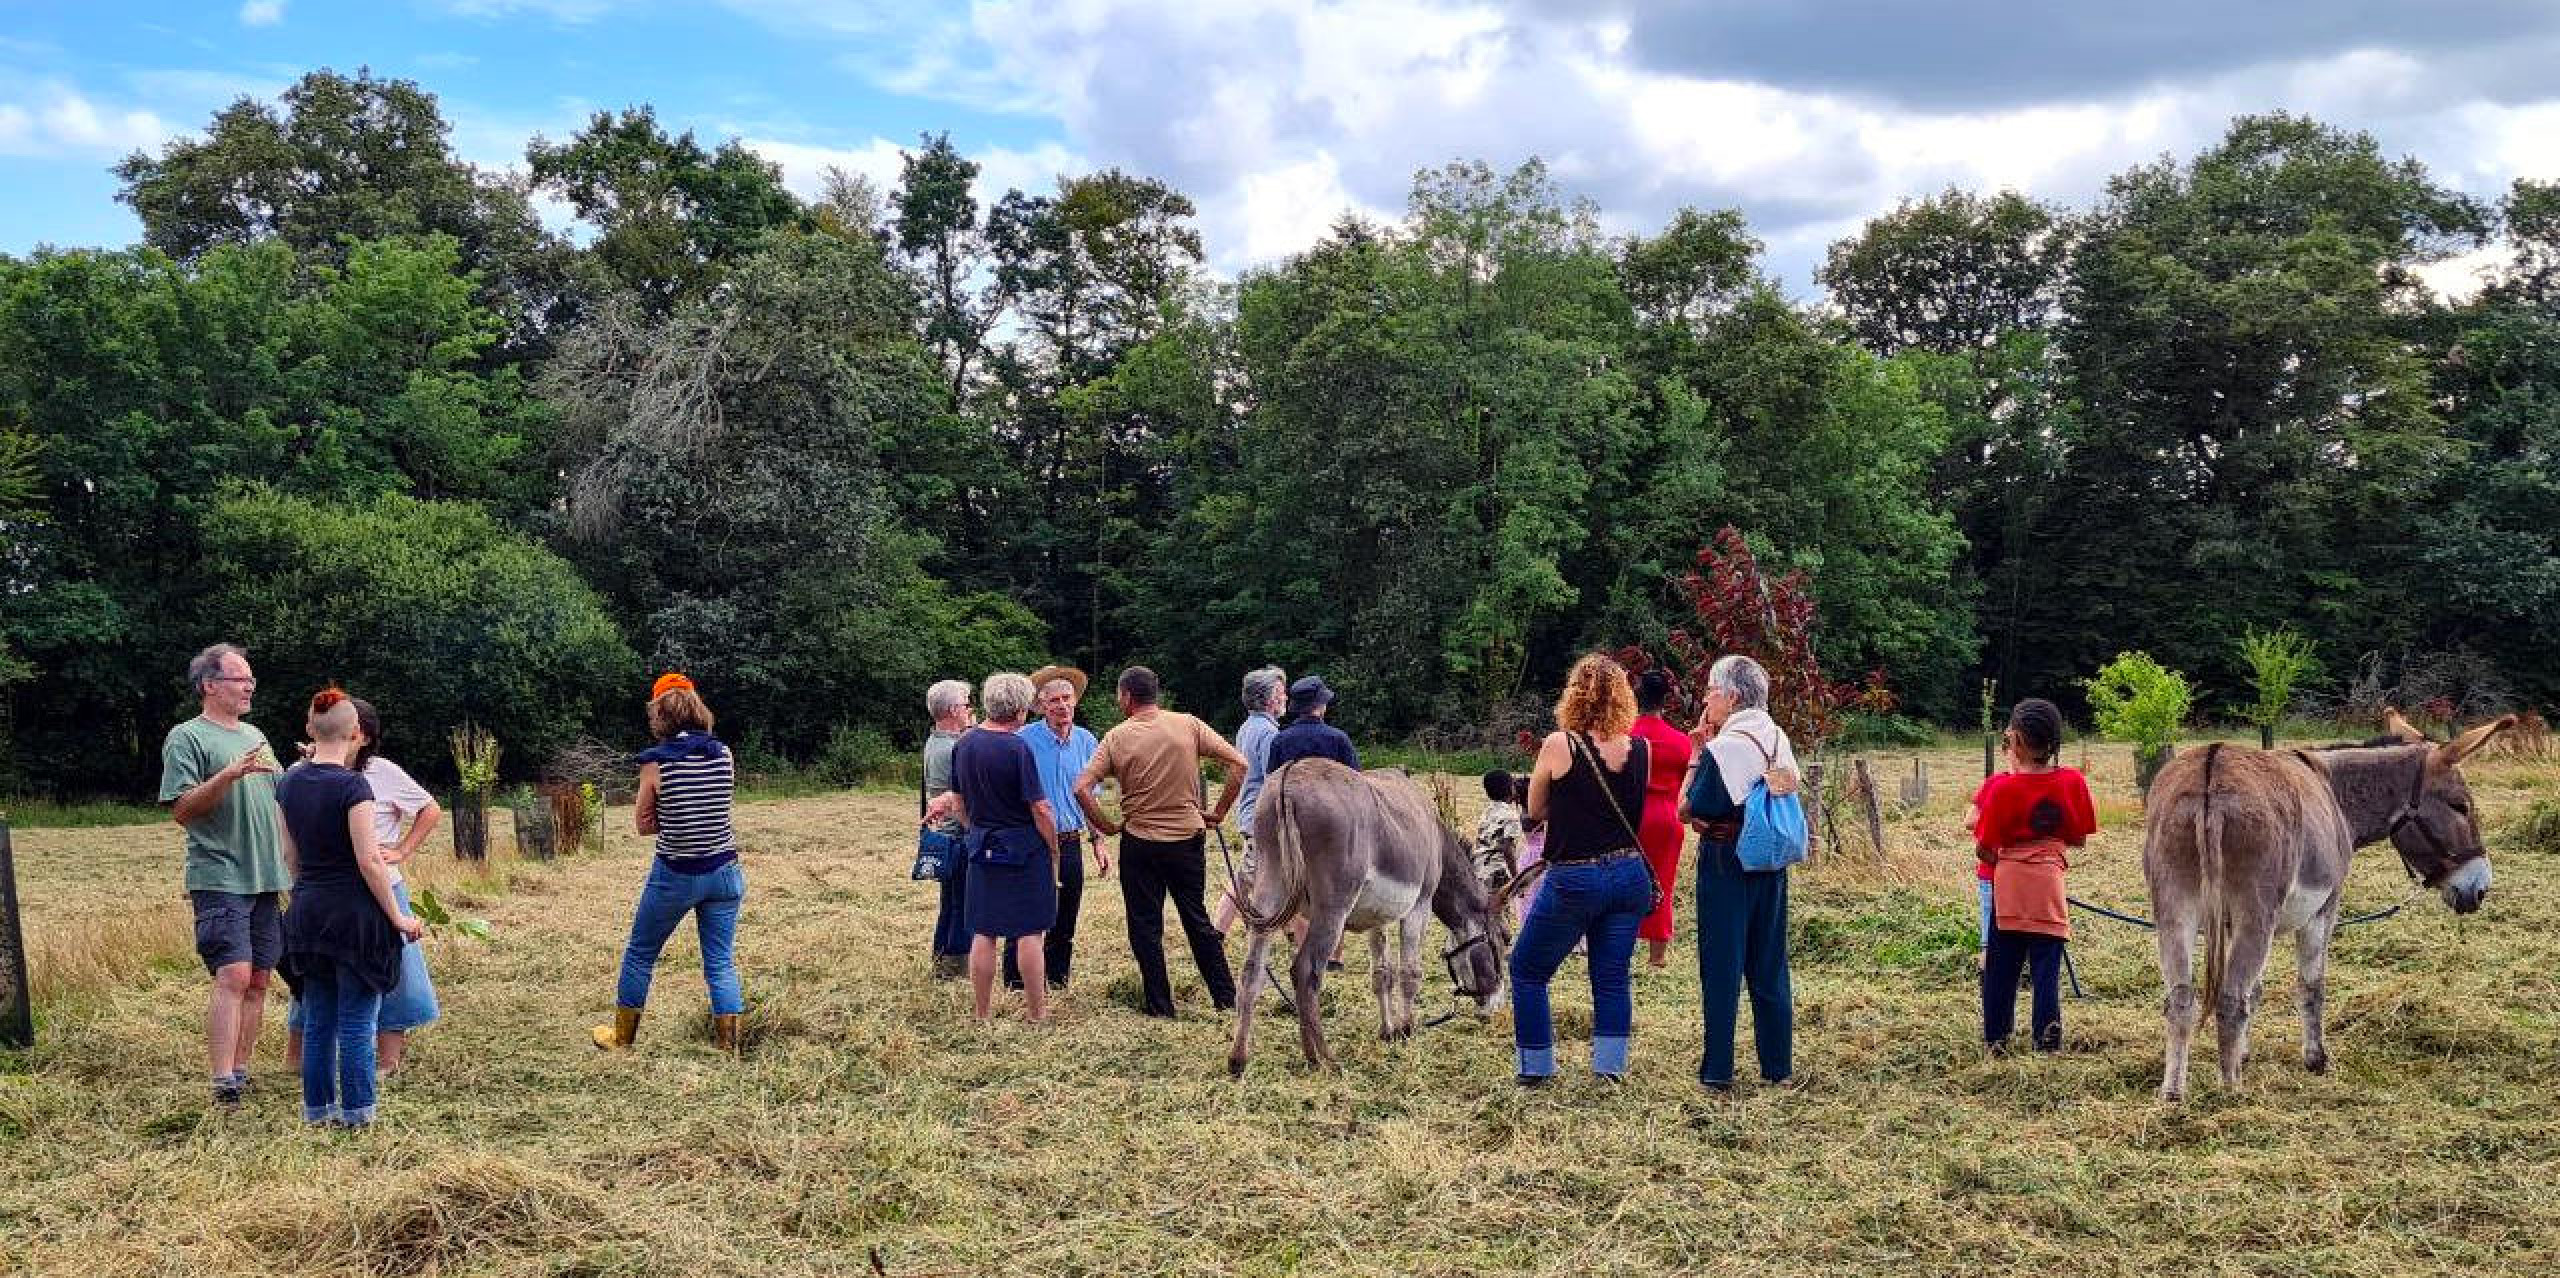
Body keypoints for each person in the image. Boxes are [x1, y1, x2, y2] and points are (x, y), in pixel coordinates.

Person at [274, 689, 426, 1126]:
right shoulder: (353, 785)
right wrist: (398, 918)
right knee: (358, 1018)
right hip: (353, 917)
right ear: (356, 733)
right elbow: (368, 861)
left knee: (319, 1016)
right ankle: (357, 1112)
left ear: (309, 730)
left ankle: (316, 1110)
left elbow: (291, 859)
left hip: (306, 912)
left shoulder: (289, 782)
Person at [1509, 653, 1656, 1085]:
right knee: (1611, 977)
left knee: (1528, 969)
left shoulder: (1561, 744)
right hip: (1629, 875)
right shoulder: (1642, 749)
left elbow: (1535, 809)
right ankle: (1609, 1068)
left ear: (1575, 696)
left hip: (1576, 874)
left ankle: (1535, 1068)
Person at [1072, 666, 1248, 1018]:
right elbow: (1239, 763)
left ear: (1126, 697)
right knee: (1196, 918)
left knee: (1145, 925)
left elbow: (1080, 787)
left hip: (1140, 841)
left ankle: (1160, 1005)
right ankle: (1227, 998)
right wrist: (1218, 812)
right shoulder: (1188, 724)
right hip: (1186, 838)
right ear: (1156, 693)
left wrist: (1106, 826)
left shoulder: (1117, 737)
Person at [159, 642, 288, 1109]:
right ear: (210, 685)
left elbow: (279, 801)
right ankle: (221, 1083)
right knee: (232, 974)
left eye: (251, 678)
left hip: (265, 876)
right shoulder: (187, 737)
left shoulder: (257, 735)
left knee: (258, 978)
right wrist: (227, 777)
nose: (249, 685)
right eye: (240, 678)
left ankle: (240, 1071)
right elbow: (182, 809)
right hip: (220, 874)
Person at [592, 673, 747, 1054]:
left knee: (640, 954)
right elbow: (716, 808)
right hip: (725, 870)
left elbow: (643, 825)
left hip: (676, 874)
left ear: (660, 713)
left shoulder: (655, 764)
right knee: (721, 962)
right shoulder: (724, 753)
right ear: (697, 707)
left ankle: (622, 1038)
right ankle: (730, 1043)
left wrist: (674, 817)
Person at [1680, 654, 1801, 1092]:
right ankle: (1777, 1066)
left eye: (1711, 691)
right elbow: (1787, 786)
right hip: (1769, 857)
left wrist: (1695, 754)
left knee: (1722, 964)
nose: (1707, 699)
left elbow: (1689, 809)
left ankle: (1717, 1071)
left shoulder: (1724, 748)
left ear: (1730, 696)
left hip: (1725, 858)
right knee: (1769, 963)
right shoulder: (1777, 736)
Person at [938, 672, 1064, 1022]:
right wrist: (1052, 847)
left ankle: (982, 1013)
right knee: (1029, 931)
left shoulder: (964, 744)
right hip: (1024, 850)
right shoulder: (1017, 748)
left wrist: (975, 830)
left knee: (984, 930)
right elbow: (1040, 808)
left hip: (981, 846)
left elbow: (958, 802)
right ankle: (1037, 1014)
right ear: (1022, 709)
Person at [1974, 698, 2097, 1054]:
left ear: (2019, 741)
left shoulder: (2003, 789)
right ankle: (2048, 1041)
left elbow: (1984, 847)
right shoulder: (2072, 782)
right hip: (2049, 883)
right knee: (2047, 968)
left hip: (2009, 884)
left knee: (2002, 967)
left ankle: (1997, 1038)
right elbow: (2078, 838)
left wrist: (2011, 858)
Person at [1005, 666, 1106, 993]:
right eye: (1054, 701)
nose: (1062, 705)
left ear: (1075, 701)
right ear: (1042, 705)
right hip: (1033, 841)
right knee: (1026, 913)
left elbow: (1090, 797)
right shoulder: (1023, 741)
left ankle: (1057, 978)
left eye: (1067, 699)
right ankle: (1016, 982)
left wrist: (1098, 841)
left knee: (1066, 914)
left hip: (1070, 842)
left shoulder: (1087, 740)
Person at [1211, 665, 1286, 936]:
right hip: (1260, 816)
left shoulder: (1248, 726)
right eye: (1280, 692)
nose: (1285, 697)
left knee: (1254, 875)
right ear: (1268, 700)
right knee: (1247, 877)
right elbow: (1272, 779)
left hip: (1249, 813)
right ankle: (1217, 932)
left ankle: (1288, 930)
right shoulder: (1268, 734)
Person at [1628, 670, 1696, 969]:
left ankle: (1622, 946)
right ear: (1666, 699)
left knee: (1625, 884)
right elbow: (1687, 781)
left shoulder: (1623, 736)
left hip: (1630, 818)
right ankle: (1657, 958)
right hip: (1667, 820)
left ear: (1635, 697)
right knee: (1663, 885)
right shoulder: (1681, 741)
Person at [922, 679, 975, 981]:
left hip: (946, 837)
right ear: (955, 710)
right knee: (962, 906)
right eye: (967, 704)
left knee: (950, 903)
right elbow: (957, 802)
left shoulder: (938, 742)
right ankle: (956, 969)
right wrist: (974, 830)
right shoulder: (952, 749)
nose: (970, 710)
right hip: (958, 838)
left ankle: (942, 962)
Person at [1264, 675, 1361, 773]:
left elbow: (1272, 781)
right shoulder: (1339, 739)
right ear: (1321, 705)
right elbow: (1356, 780)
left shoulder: (1280, 741)